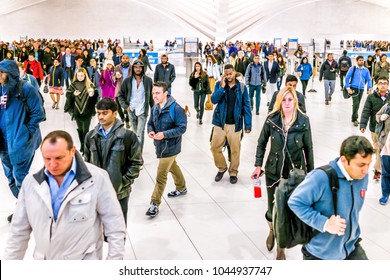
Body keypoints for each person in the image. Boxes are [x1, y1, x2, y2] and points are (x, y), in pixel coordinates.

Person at [3, 130, 126, 259]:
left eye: (59, 158)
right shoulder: (30, 184)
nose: (52, 164)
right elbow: (17, 234)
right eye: (47, 158)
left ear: (72, 151)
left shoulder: (97, 178)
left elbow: (115, 227)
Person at [251, 86, 314, 260]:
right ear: (280, 101)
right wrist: (258, 165)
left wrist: (311, 174)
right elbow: (261, 143)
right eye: (284, 99)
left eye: (290, 99)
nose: (287, 103)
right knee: (272, 210)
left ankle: (281, 247)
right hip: (273, 170)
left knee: (286, 211)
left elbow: (308, 148)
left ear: (295, 101)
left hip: (294, 173)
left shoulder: (303, 121)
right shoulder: (272, 119)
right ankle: (272, 229)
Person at [288, 136, 374, 260]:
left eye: (368, 164)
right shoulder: (320, 177)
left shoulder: (362, 176)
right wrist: (325, 223)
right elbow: (295, 202)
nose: (366, 170)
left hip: (351, 247)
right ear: (344, 160)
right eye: (361, 165)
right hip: (320, 253)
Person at [0, 59, 45, 222]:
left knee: (20, 176)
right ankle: (25, 207)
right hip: (4, 144)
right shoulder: (0, 89)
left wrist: (26, 133)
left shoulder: (26, 88)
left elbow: (38, 114)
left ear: (10, 73)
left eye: (1, 73)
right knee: (10, 177)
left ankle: (27, 212)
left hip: (21, 143)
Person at [84, 98, 143, 224]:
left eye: (105, 113)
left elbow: (136, 163)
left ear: (115, 113)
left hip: (119, 193)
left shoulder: (127, 136)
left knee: (118, 228)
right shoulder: (90, 137)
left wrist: (123, 182)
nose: (101, 117)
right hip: (97, 192)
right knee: (97, 229)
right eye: (99, 113)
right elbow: (87, 163)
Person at [145, 81, 187, 218]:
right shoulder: (155, 107)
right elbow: (150, 122)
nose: (155, 96)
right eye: (153, 93)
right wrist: (150, 131)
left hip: (171, 146)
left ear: (165, 93)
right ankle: (181, 187)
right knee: (172, 166)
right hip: (160, 146)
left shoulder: (176, 109)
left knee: (161, 174)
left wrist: (164, 134)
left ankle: (154, 203)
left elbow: (182, 128)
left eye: (157, 93)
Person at [211, 64, 252, 184]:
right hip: (220, 123)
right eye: (226, 74)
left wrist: (248, 125)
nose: (228, 76)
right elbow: (214, 100)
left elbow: (246, 106)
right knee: (214, 148)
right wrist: (222, 88)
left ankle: (233, 171)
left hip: (235, 124)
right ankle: (222, 168)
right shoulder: (219, 85)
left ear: (234, 72)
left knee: (235, 150)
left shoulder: (242, 88)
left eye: (230, 74)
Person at [118, 59, 153, 151]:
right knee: (134, 133)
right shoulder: (127, 81)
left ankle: (138, 157)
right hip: (131, 110)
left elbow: (152, 98)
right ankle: (135, 153)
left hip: (142, 111)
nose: (138, 69)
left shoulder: (148, 81)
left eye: (140, 67)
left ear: (143, 68)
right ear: (133, 68)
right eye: (136, 67)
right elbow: (120, 95)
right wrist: (126, 107)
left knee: (140, 133)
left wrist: (154, 110)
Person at [360, 76, 390, 181]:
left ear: (388, 85)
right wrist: (363, 124)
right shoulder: (371, 97)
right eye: (380, 83)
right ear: (377, 85)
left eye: (385, 83)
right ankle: (378, 170)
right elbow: (366, 111)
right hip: (375, 129)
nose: (383, 85)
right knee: (378, 149)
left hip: (388, 130)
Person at [64, 68, 98, 154]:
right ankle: (82, 145)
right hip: (77, 110)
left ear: (85, 75)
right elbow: (68, 95)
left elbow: (95, 97)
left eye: (81, 75)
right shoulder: (73, 85)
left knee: (86, 129)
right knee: (80, 129)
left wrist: (93, 94)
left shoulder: (90, 85)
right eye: (78, 75)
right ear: (76, 75)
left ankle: (85, 146)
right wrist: (73, 95)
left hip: (88, 110)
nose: (80, 77)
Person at [344, 55, 372, 127]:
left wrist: (369, 88)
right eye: (360, 60)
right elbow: (347, 78)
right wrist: (348, 88)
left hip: (361, 89)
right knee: (356, 103)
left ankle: (353, 117)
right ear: (357, 61)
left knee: (357, 104)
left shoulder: (366, 70)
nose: (361, 61)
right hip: (353, 88)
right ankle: (355, 119)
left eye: (362, 60)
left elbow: (369, 79)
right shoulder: (352, 68)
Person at [376, 101, 390, 205]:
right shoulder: (387, 106)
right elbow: (377, 115)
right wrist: (381, 118)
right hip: (386, 145)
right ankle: (385, 194)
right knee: (385, 172)